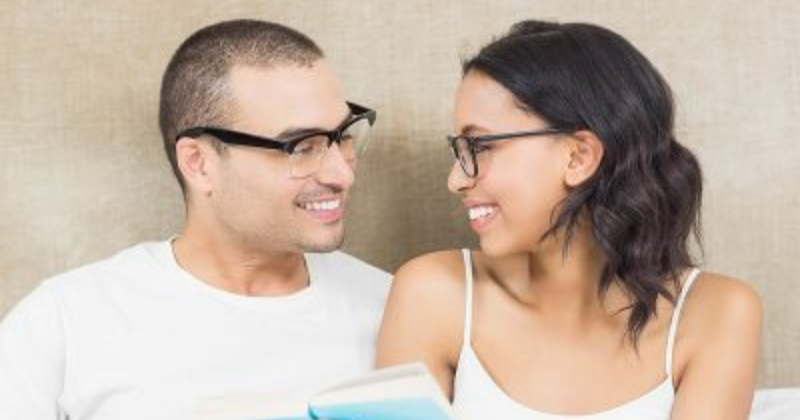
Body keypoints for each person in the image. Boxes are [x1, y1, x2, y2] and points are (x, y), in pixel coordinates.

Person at [0, 19, 390, 420]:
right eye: (301, 146)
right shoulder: (64, 321)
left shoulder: (397, 314)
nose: (342, 174)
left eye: (343, 135)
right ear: (199, 163)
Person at [377, 20, 761, 420]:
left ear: (578, 157)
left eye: (480, 146)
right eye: (459, 149)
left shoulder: (717, 312)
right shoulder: (435, 293)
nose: (455, 179)